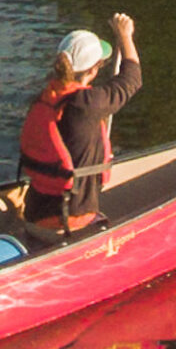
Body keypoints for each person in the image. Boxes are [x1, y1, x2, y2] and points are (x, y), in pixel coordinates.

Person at [18, 13, 142, 242]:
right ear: (93, 71)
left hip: (33, 216)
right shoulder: (88, 103)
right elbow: (132, 79)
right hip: (68, 224)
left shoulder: (46, 97)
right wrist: (125, 35)